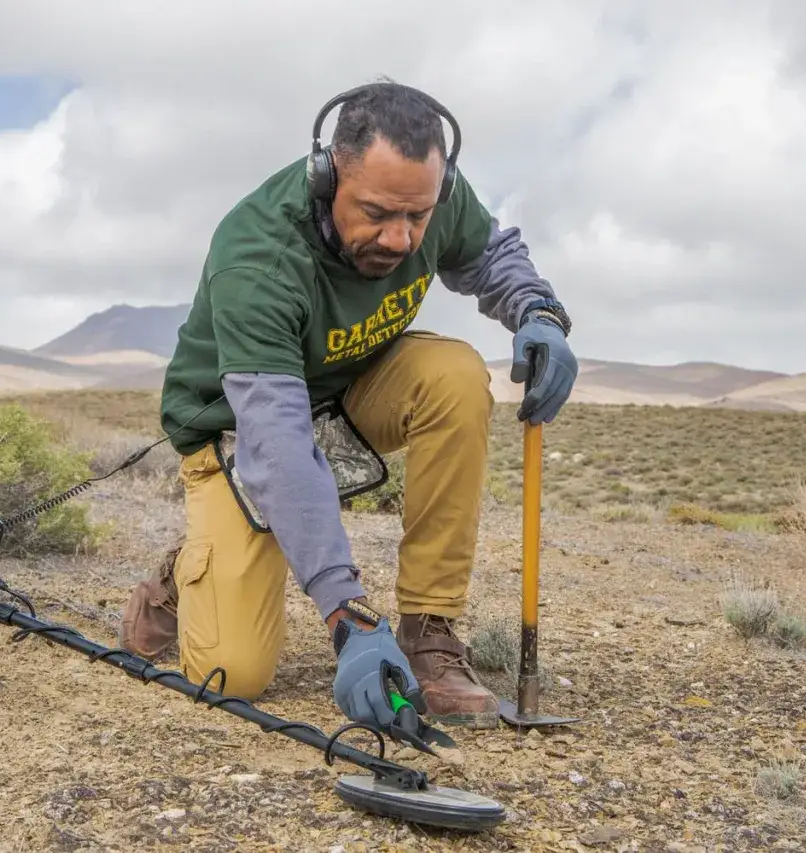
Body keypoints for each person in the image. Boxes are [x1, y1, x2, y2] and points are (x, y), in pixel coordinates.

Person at [120, 79, 577, 733]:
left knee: (453, 374)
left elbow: (491, 253)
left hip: (346, 392)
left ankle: (429, 632)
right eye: (377, 213)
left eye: (416, 218)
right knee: (234, 674)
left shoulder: (429, 196)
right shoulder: (257, 255)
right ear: (326, 174)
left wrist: (538, 311)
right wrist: (348, 617)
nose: (399, 239)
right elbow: (276, 440)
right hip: (235, 426)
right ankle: (184, 566)